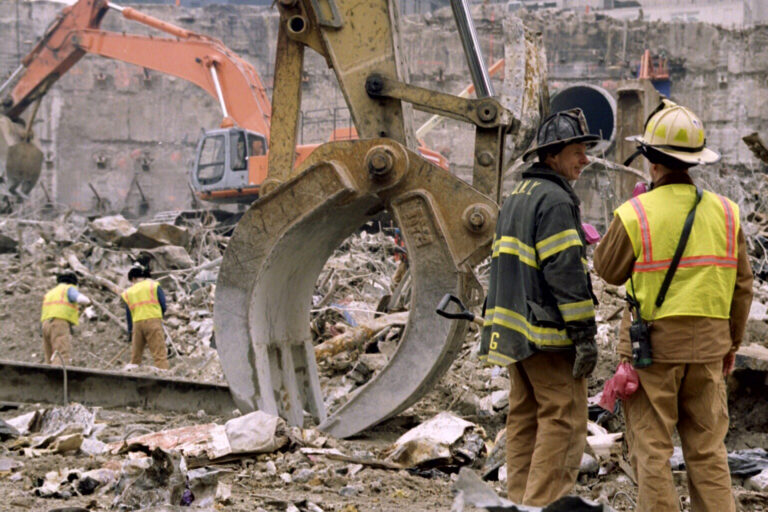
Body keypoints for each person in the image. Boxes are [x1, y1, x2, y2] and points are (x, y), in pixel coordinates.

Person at [594, 99, 753, 512]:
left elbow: (608, 270)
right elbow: (743, 286)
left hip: (654, 354)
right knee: (708, 451)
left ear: (650, 160)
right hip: (710, 351)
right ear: (695, 162)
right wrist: (732, 344)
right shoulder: (727, 212)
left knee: (652, 452)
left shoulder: (636, 213)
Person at [480, 108, 600, 506]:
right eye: (577, 150)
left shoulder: (519, 194)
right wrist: (583, 332)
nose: (584, 158)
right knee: (563, 421)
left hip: (516, 333)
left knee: (525, 419)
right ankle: (544, 504)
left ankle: (519, 501)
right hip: (548, 336)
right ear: (552, 155)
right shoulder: (555, 200)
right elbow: (565, 271)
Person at [122, 266, 170, 369]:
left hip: (137, 324)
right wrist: (158, 315)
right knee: (159, 354)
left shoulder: (128, 292)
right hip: (153, 321)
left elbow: (129, 314)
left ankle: (132, 378)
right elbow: (163, 305)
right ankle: (164, 377)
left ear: (133, 278)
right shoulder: (154, 285)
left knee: (135, 357)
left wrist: (130, 331)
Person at [40, 272, 91, 364]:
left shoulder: (51, 293)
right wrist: (88, 302)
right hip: (59, 324)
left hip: (45, 325)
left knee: (49, 356)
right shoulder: (68, 289)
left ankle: (47, 376)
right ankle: (59, 377)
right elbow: (82, 299)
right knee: (61, 354)